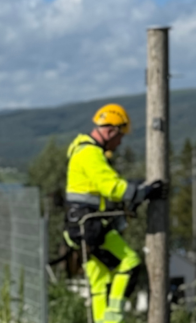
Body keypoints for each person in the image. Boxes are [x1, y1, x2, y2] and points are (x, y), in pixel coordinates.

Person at [64, 104, 165, 323]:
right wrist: (144, 191)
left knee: (99, 282)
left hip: (78, 229)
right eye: (120, 136)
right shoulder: (90, 152)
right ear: (110, 131)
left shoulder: (81, 151)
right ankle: (114, 318)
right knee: (130, 262)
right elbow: (112, 187)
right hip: (91, 228)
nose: (119, 142)